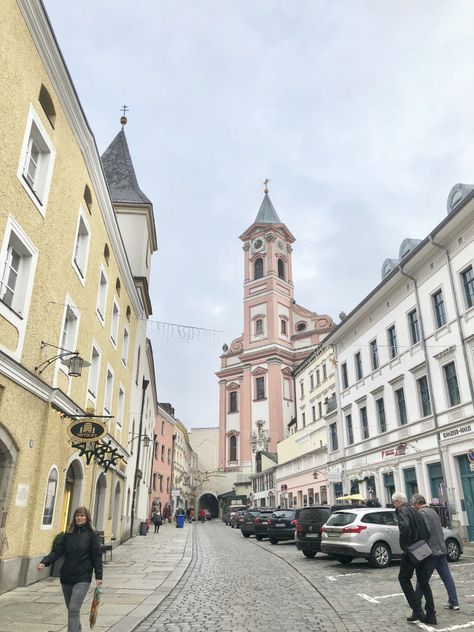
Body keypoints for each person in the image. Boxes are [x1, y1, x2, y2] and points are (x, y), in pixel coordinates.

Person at [37, 506, 103, 632]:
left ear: (87, 518)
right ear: (74, 518)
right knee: (71, 610)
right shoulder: (67, 535)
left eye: (82, 515)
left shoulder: (92, 535)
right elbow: (56, 552)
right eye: (77, 515)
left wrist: (99, 576)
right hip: (66, 577)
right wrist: (44, 562)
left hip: (83, 577)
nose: (79, 518)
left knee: (73, 608)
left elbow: (97, 556)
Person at [392, 492, 437, 624]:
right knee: (424, 582)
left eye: (393, 503)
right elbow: (426, 530)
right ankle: (431, 613)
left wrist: (404, 546)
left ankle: (417, 609)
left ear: (396, 502)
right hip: (422, 548)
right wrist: (423, 543)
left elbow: (405, 528)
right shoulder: (414, 510)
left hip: (411, 549)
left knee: (404, 578)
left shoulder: (401, 509)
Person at [412, 494, 460, 611]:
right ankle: (454, 602)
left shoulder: (421, 513)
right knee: (447, 577)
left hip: (431, 552)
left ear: (417, 504)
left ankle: (415, 603)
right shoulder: (433, 512)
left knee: (422, 578)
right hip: (441, 549)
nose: (413, 507)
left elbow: (425, 531)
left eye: (414, 505)